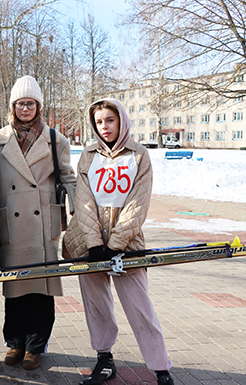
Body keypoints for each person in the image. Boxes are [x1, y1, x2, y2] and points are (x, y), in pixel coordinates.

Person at [63, 98, 174, 385]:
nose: (104, 127)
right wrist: (94, 243)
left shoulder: (139, 155)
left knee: (140, 308)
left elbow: (138, 203)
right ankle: (104, 358)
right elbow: (84, 202)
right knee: (96, 306)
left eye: (109, 120)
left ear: (121, 120)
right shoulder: (88, 155)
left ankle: (161, 368)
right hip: (90, 246)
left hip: (127, 246)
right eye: (99, 122)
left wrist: (115, 243)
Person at [0, 75, 76, 371]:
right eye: (20, 103)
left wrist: (78, 212)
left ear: (39, 106)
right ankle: (14, 343)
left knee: (41, 291)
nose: (25, 108)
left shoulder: (55, 140)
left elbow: (68, 177)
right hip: (12, 223)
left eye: (31, 103)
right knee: (16, 289)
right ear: (12, 106)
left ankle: (35, 347)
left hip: (42, 224)